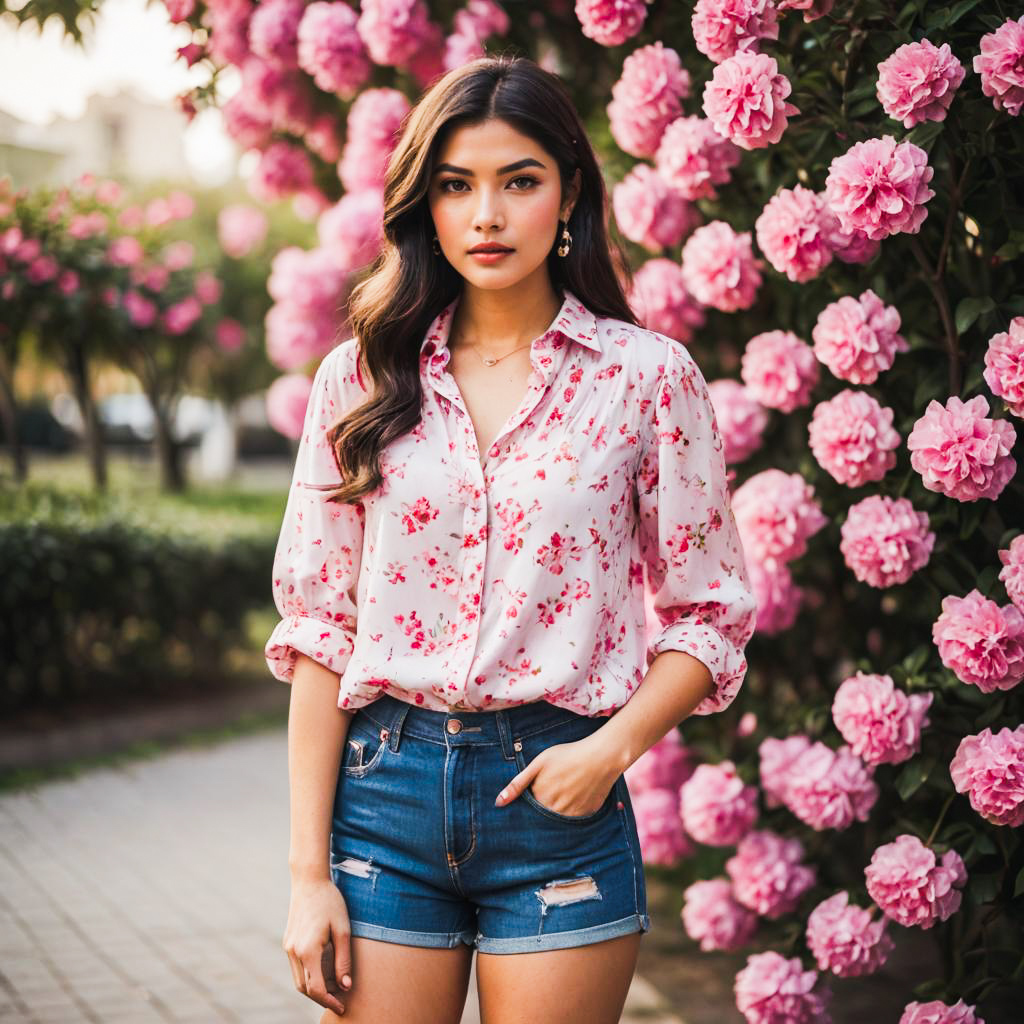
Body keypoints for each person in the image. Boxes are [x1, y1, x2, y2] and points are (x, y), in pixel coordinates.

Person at [266, 54, 757, 1024]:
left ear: (568, 192)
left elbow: (709, 617)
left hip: (560, 805)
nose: (485, 215)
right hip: (383, 802)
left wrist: (610, 750)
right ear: (425, 205)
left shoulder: (646, 379)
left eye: (518, 180)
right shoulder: (358, 379)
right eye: (455, 186)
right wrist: (305, 874)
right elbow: (321, 629)